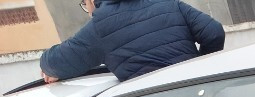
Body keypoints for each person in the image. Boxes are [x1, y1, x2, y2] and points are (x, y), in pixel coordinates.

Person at [40, 0, 224, 84]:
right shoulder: (170, 3)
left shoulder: (100, 26)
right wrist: (199, 68)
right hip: (198, 95)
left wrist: (48, 68)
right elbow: (214, 33)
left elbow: (57, 61)